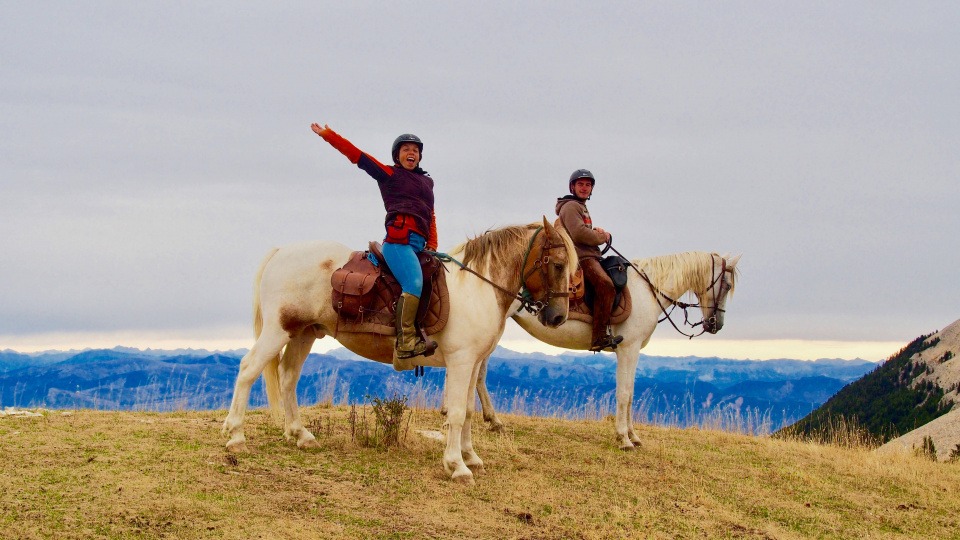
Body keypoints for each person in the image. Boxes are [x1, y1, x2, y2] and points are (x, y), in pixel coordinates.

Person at [311, 123, 438, 360]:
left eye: (416, 150)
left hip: (419, 246)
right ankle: (406, 342)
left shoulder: (427, 183)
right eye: (406, 149)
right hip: (398, 243)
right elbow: (359, 156)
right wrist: (329, 136)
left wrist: (433, 244)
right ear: (397, 156)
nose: (412, 153)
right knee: (414, 283)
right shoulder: (390, 174)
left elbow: (430, 215)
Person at [556, 169, 624, 352]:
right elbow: (579, 234)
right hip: (582, 257)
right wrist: (602, 237)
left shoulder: (580, 206)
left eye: (588, 185)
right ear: (572, 187)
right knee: (606, 285)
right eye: (580, 184)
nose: (585, 188)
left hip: (589, 254)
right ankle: (599, 336)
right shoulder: (571, 206)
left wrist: (596, 234)